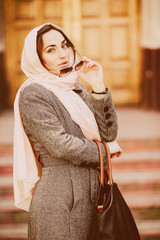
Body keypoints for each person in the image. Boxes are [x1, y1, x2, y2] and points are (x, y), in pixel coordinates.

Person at [13, 23, 122, 240]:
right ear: (37, 58)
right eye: (51, 49)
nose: (63, 54)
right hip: (61, 200)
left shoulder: (76, 88)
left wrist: (98, 87)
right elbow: (61, 146)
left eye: (65, 45)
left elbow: (108, 134)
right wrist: (104, 150)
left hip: (92, 196)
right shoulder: (33, 94)